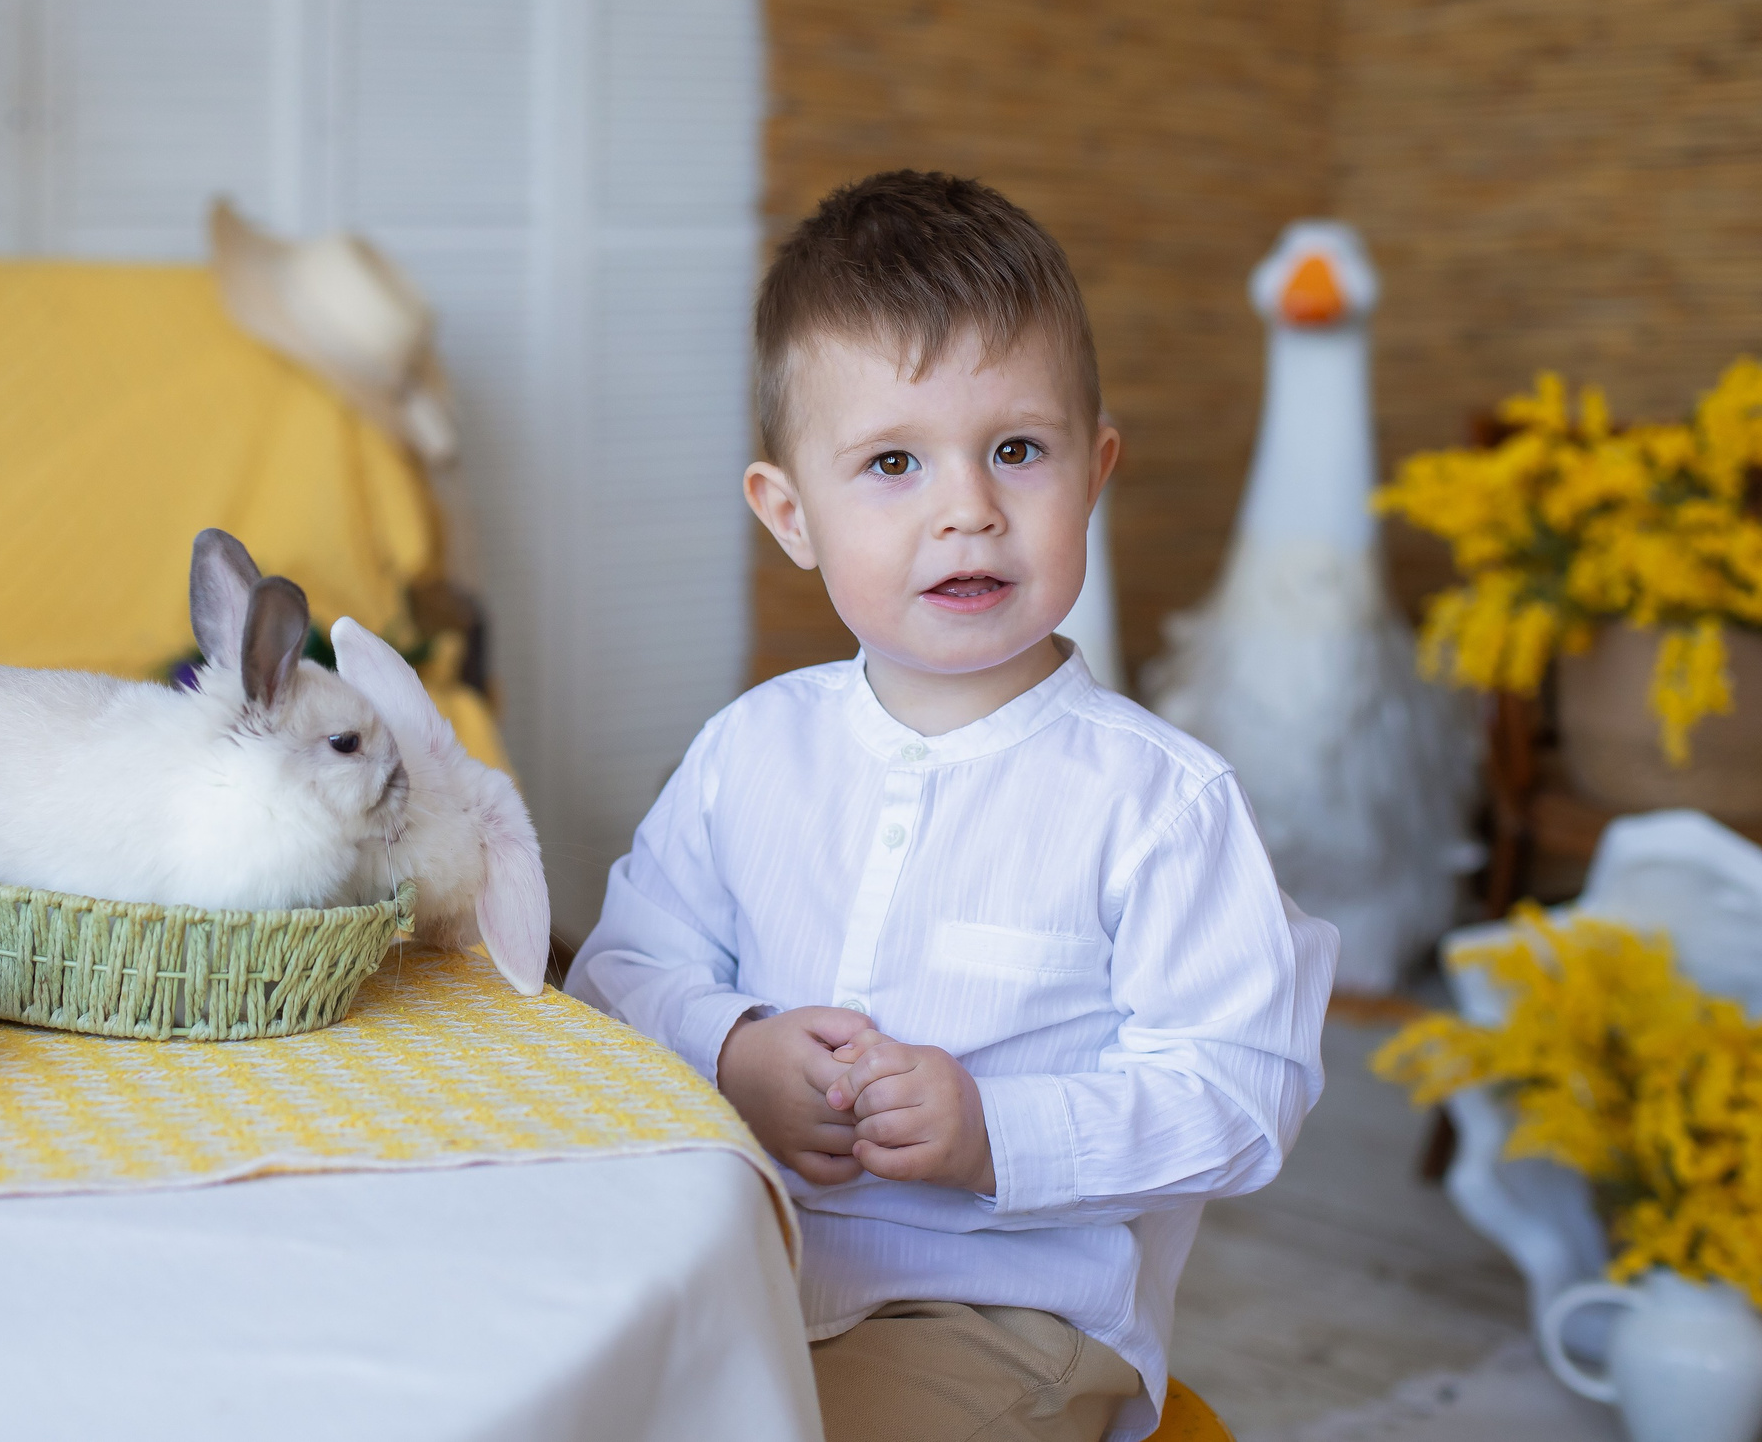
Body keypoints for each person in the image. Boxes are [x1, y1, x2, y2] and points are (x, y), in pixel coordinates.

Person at [571, 170, 1338, 1442]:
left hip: (1003, 1313)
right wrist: (734, 1053)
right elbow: (619, 976)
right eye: (889, 463)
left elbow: (1241, 1089)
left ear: (1093, 473)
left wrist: (996, 1135)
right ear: (790, 514)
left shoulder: (1161, 802)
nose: (967, 507)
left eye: (1017, 451)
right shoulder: (746, 751)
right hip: (736, 1261)